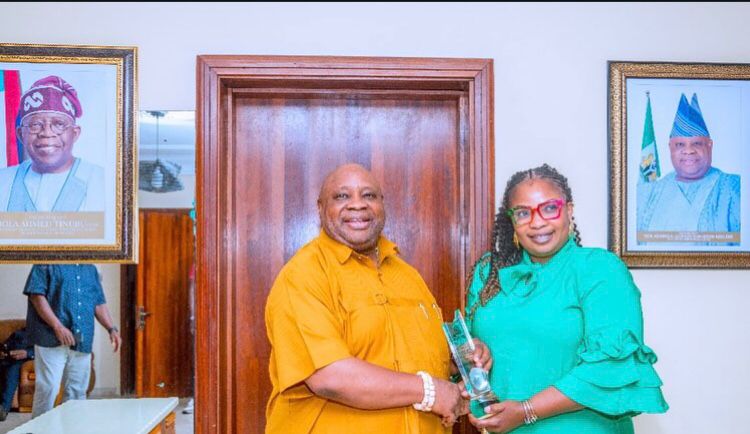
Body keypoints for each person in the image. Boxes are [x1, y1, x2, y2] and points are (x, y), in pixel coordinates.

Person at [264, 163, 491, 434]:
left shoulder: (408, 275)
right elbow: (328, 376)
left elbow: (420, 357)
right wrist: (428, 390)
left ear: (382, 204)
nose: (357, 204)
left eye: (368, 195)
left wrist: (462, 358)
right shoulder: (303, 276)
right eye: (342, 196)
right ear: (321, 208)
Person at [465, 164, 668, 434]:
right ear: (511, 220)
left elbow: (609, 367)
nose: (537, 222)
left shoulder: (600, 269)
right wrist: (471, 351)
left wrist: (526, 411)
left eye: (550, 208)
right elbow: (468, 348)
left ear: (569, 210)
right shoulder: (488, 272)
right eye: (523, 213)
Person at [637, 93, 740, 244]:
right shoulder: (652, 191)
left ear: (709, 145)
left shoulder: (733, 188)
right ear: (670, 148)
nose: (689, 151)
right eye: (680, 144)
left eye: (696, 143)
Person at [23, 264, 121, 418]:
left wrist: (111, 329)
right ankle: (39, 428)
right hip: (49, 337)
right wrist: (58, 326)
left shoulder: (91, 269)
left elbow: (98, 302)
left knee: (77, 391)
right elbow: (36, 296)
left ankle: (71, 427)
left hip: (82, 338)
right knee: (48, 389)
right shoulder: (45, 261)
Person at [0, 75, 105, 212]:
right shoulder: (3, 180)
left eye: (59, 124)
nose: (47, 133)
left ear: (75, 133)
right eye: (35, 125)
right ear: (21, 134)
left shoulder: (103, 181)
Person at [0, 327, 34, 422]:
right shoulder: (19, 332)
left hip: (24, 359)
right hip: (8, 357)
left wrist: (27, 353)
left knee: (12, 370)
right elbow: (6, 345)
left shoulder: (42, 333)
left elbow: (44, 350)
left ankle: (4, 409)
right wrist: (4, 351)